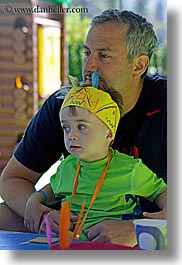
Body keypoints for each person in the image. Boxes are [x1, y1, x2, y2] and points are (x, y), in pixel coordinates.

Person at [0, 9, 167, 246]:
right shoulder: (65, 105)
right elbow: (12, 180)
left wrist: (138, 230)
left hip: (148, 224)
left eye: (104, 56)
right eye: (87, 53)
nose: (88, 67)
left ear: (138, 66)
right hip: (74, 222)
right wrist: (42, 213)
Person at [24, 85, 167, 243]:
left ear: (109, 133)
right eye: (66, 128)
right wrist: (34, 200)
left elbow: (161, 192)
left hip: (114, 247)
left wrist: (165, 216)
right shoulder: (68, 166)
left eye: (82, 127)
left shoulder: (129, 169)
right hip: (71, 243)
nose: (72, 135)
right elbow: (53, 189)